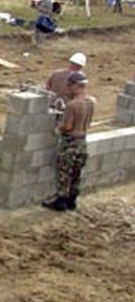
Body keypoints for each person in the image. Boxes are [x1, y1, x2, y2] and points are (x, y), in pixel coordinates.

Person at [43, 72, 95, 212]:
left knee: (64, 173)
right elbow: (88, 122)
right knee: (76, 173)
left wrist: (57, 128)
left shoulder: (72, 105)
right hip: (82, 142)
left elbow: (68, 126)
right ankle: (72, 201)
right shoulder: (91, 102)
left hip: (70, 142)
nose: (69, 89)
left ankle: (60, 202)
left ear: (75, 85)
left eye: (70, 86)